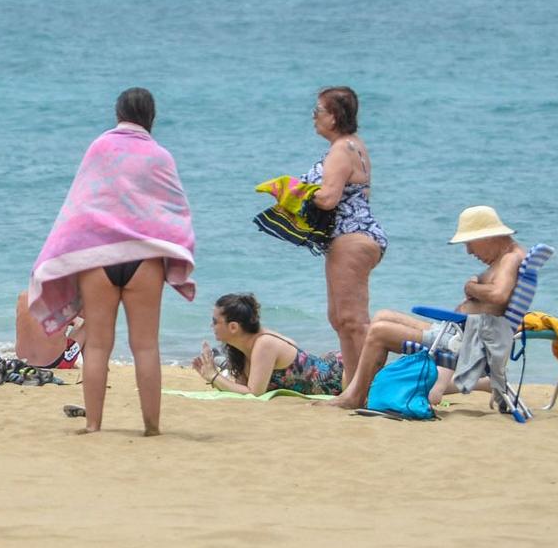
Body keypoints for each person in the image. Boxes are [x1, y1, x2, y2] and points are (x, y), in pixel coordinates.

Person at [27, 88, 197, 435]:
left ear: (118, 113)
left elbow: (80, 204)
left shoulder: (100, 148)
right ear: (152, 116)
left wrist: (64, 254)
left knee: (100, 345)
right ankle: (151, 428)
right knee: (146, 345)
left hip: (99, 260)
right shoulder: (160, 156)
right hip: (144, 260)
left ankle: (93, 425)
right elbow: (175, 209)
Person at [331, 205, 526, 410]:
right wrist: (477, 286)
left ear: (486, 237)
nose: (469, 251)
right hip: (455, 332)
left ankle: (355, 397)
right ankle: (364, 389)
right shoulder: (509, 257)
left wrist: (472, 287)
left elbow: (499, 294)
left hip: (458, 341)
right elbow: (497, 295)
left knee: (379, 332)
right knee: (382, 315)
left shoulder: (510, 259)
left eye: (470, 243)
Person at [305, 86, 383, 390]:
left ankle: (371, 388)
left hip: (351, 236)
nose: (314, 116)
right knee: (339, 318)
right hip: (351, 237)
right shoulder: (353, 145)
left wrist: (293, 193)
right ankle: (354, 385)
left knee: (353, 319)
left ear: (334, 117)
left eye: (318, 111)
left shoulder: (341, 150)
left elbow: (327, 198)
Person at [190, 293, 344, 396]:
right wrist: (211, 376)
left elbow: (254, 394)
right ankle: (222, 363)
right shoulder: (240, 349)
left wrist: (213, 376)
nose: (212, 326)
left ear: (233, 327)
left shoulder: (264, 344)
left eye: (215, 322)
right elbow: (240, 390)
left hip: (338, 374)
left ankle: (222, 364)